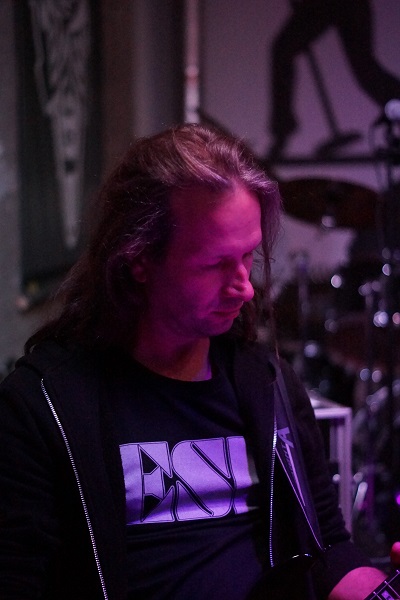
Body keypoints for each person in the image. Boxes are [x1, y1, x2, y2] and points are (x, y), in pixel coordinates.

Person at [0, 124, 387, 599]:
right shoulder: (44, 407)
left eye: (247, 257)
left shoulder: (269, 384)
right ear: (139, 260)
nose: (244, 287)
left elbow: (328, 547)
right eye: (215, 264)